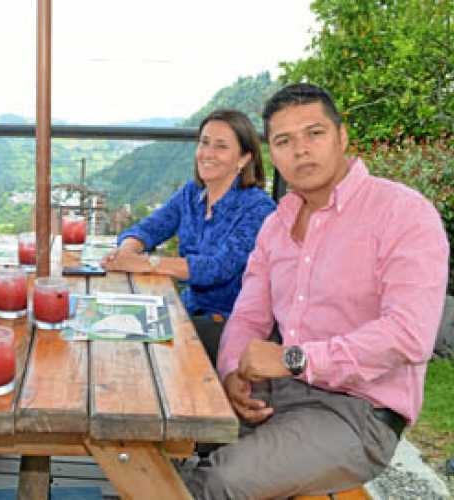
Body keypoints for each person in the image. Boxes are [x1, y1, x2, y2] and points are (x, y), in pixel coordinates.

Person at [184, 83, 450, 499]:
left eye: (314, 133)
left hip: (358, 412)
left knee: (217, 482)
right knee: (164, 429)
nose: (301, 150)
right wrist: (233, 372)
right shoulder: (276, 225)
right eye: (284, 141)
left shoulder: (403, 213)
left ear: (342, 137)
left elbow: (408, 335)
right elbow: (249, 314)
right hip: (276, 393)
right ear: (272, 154)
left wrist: (294, 359)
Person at [102, 109, 275, 366]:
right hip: (187, 309)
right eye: (204, 143)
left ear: (243, 158)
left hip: (228, 324)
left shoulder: (258, 209)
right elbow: (149, 228)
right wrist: (127, 251)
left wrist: (148, 263)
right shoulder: (192, 194)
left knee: (132, 347)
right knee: (114, 326)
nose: (207, 153)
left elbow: (217, 268)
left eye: (221, 146)